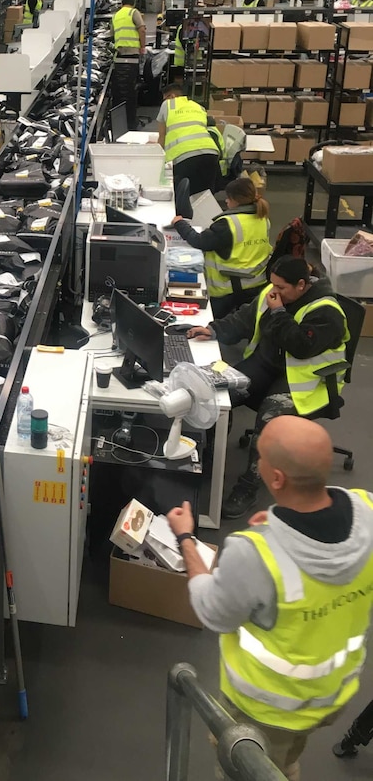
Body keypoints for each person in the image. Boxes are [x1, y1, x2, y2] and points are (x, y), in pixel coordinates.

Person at [167, 415, 373, 781]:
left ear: (276, 478)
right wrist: (279, 523)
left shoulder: (254, 554)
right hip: (331, 696)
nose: (256, 464)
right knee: (289, 755)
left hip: (267, 711)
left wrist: (186, 538)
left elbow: (210, 609)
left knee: (249, 768)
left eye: (259, 458)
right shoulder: (367, 510)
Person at [187, 255, 349, 519]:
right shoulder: (274, 291)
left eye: (282, 288)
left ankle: (249, 486)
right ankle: (208, 457)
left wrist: (278, 313)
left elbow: (300, 345)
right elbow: (246, 317)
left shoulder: (327, 312)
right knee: (218, 393)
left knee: (270, 417)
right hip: (266, 364)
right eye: (273, 286)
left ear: (301, 285)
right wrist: (214, 330)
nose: (275, 292)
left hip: (304, 380)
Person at [171, 177, 272, 319]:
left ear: (236, 201)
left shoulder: (228, 224)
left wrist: (180, 223)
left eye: (228, 198)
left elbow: (199, 241)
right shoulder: (262, 218)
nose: (226, 201)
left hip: (228, 287)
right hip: (257, 283)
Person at [157, 82, 220, 197]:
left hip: (184, 156)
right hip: (211, 153)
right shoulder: (199, 106)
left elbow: (162, 136)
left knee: (182, 197)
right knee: (205, 198)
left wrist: (158, 161)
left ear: (171, 96)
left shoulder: (168, 104)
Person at [111, 0, 146, 132]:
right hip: (132, 53)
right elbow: (142, 29)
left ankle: (119, 122)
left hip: (119, 55)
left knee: (120, 91)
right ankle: (131, 121)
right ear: (133, 4)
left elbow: (112, 34)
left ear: (121, 4)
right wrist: (143, 46)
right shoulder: (133, 12)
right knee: (131, 88)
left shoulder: (116, 15)